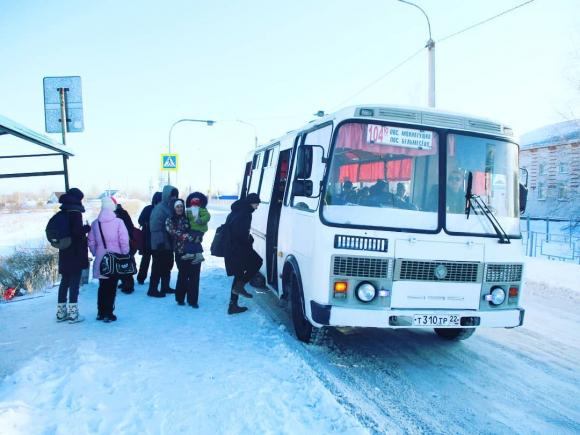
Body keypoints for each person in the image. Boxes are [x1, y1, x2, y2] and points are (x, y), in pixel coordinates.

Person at [88, 196, 130, 322]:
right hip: (115, 259)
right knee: (112, 287)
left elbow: (90, 241)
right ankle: (108, 313)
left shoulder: (95, 223)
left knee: (102, 286)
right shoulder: (119, 222)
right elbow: (124, 239)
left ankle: (100, 312)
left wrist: (96, 252)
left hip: (101, 259)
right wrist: (124, 253)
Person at [55, 187, 91, 323]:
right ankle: (73, 314)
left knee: (65, 281)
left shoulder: (64, 211)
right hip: (75, 251)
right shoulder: (75, 213)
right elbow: (76, 232)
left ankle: (60, 313)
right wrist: (87, 228)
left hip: (64, 250)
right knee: (75, 281)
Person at [224, 193, 263, 315]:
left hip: (231, 248)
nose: (256, 207)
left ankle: (233, 305)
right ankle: (240, 286)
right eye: (256, 204)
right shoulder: (246, 214)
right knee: (258, 262)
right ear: (251, 202)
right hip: (238, 249)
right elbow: (240, 234)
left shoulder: (236, 210)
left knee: (238, 274)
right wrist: (249, 239)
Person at [166, 199, 202, 307]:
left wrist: (198, 237)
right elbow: (172, 232)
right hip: (180, 252)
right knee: (183, 275)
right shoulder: (170, 219)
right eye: (177, 207)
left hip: (194, 250)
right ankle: (180, 298)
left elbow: (197, 229)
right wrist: (188, 237)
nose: (179, 208)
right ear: (174, 208)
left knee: (195, 276)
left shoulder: (188, 218)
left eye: (181, 206)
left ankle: (193, 300)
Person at [148, 185, 178, 298]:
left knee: (168, 265)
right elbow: (155, 226)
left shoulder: (170, 207)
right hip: (160, 244)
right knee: (157, 267)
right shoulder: (160, 208)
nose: (174, 197)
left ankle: (165, 286)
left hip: (169, 243)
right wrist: (160, 242)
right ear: (167, 195)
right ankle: (152, 289)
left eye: (175, 195)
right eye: (172, 195)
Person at [136, 191, 162, 285]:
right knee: (147, 260)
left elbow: (140, 220)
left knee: (150, 261)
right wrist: (147, 223)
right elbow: (140, 220)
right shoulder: (148, 209)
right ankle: (142, 278)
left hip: (151, 239)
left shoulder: (149, 208)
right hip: (148, 238)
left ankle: (145, 278)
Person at [114, 202, 137, 294]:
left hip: (121, 243)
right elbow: (131, 227)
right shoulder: (125, 214)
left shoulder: (116, 217)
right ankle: (127, 284)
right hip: (128, 242)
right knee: (126, 263)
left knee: (122, 263)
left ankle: (128, 286)